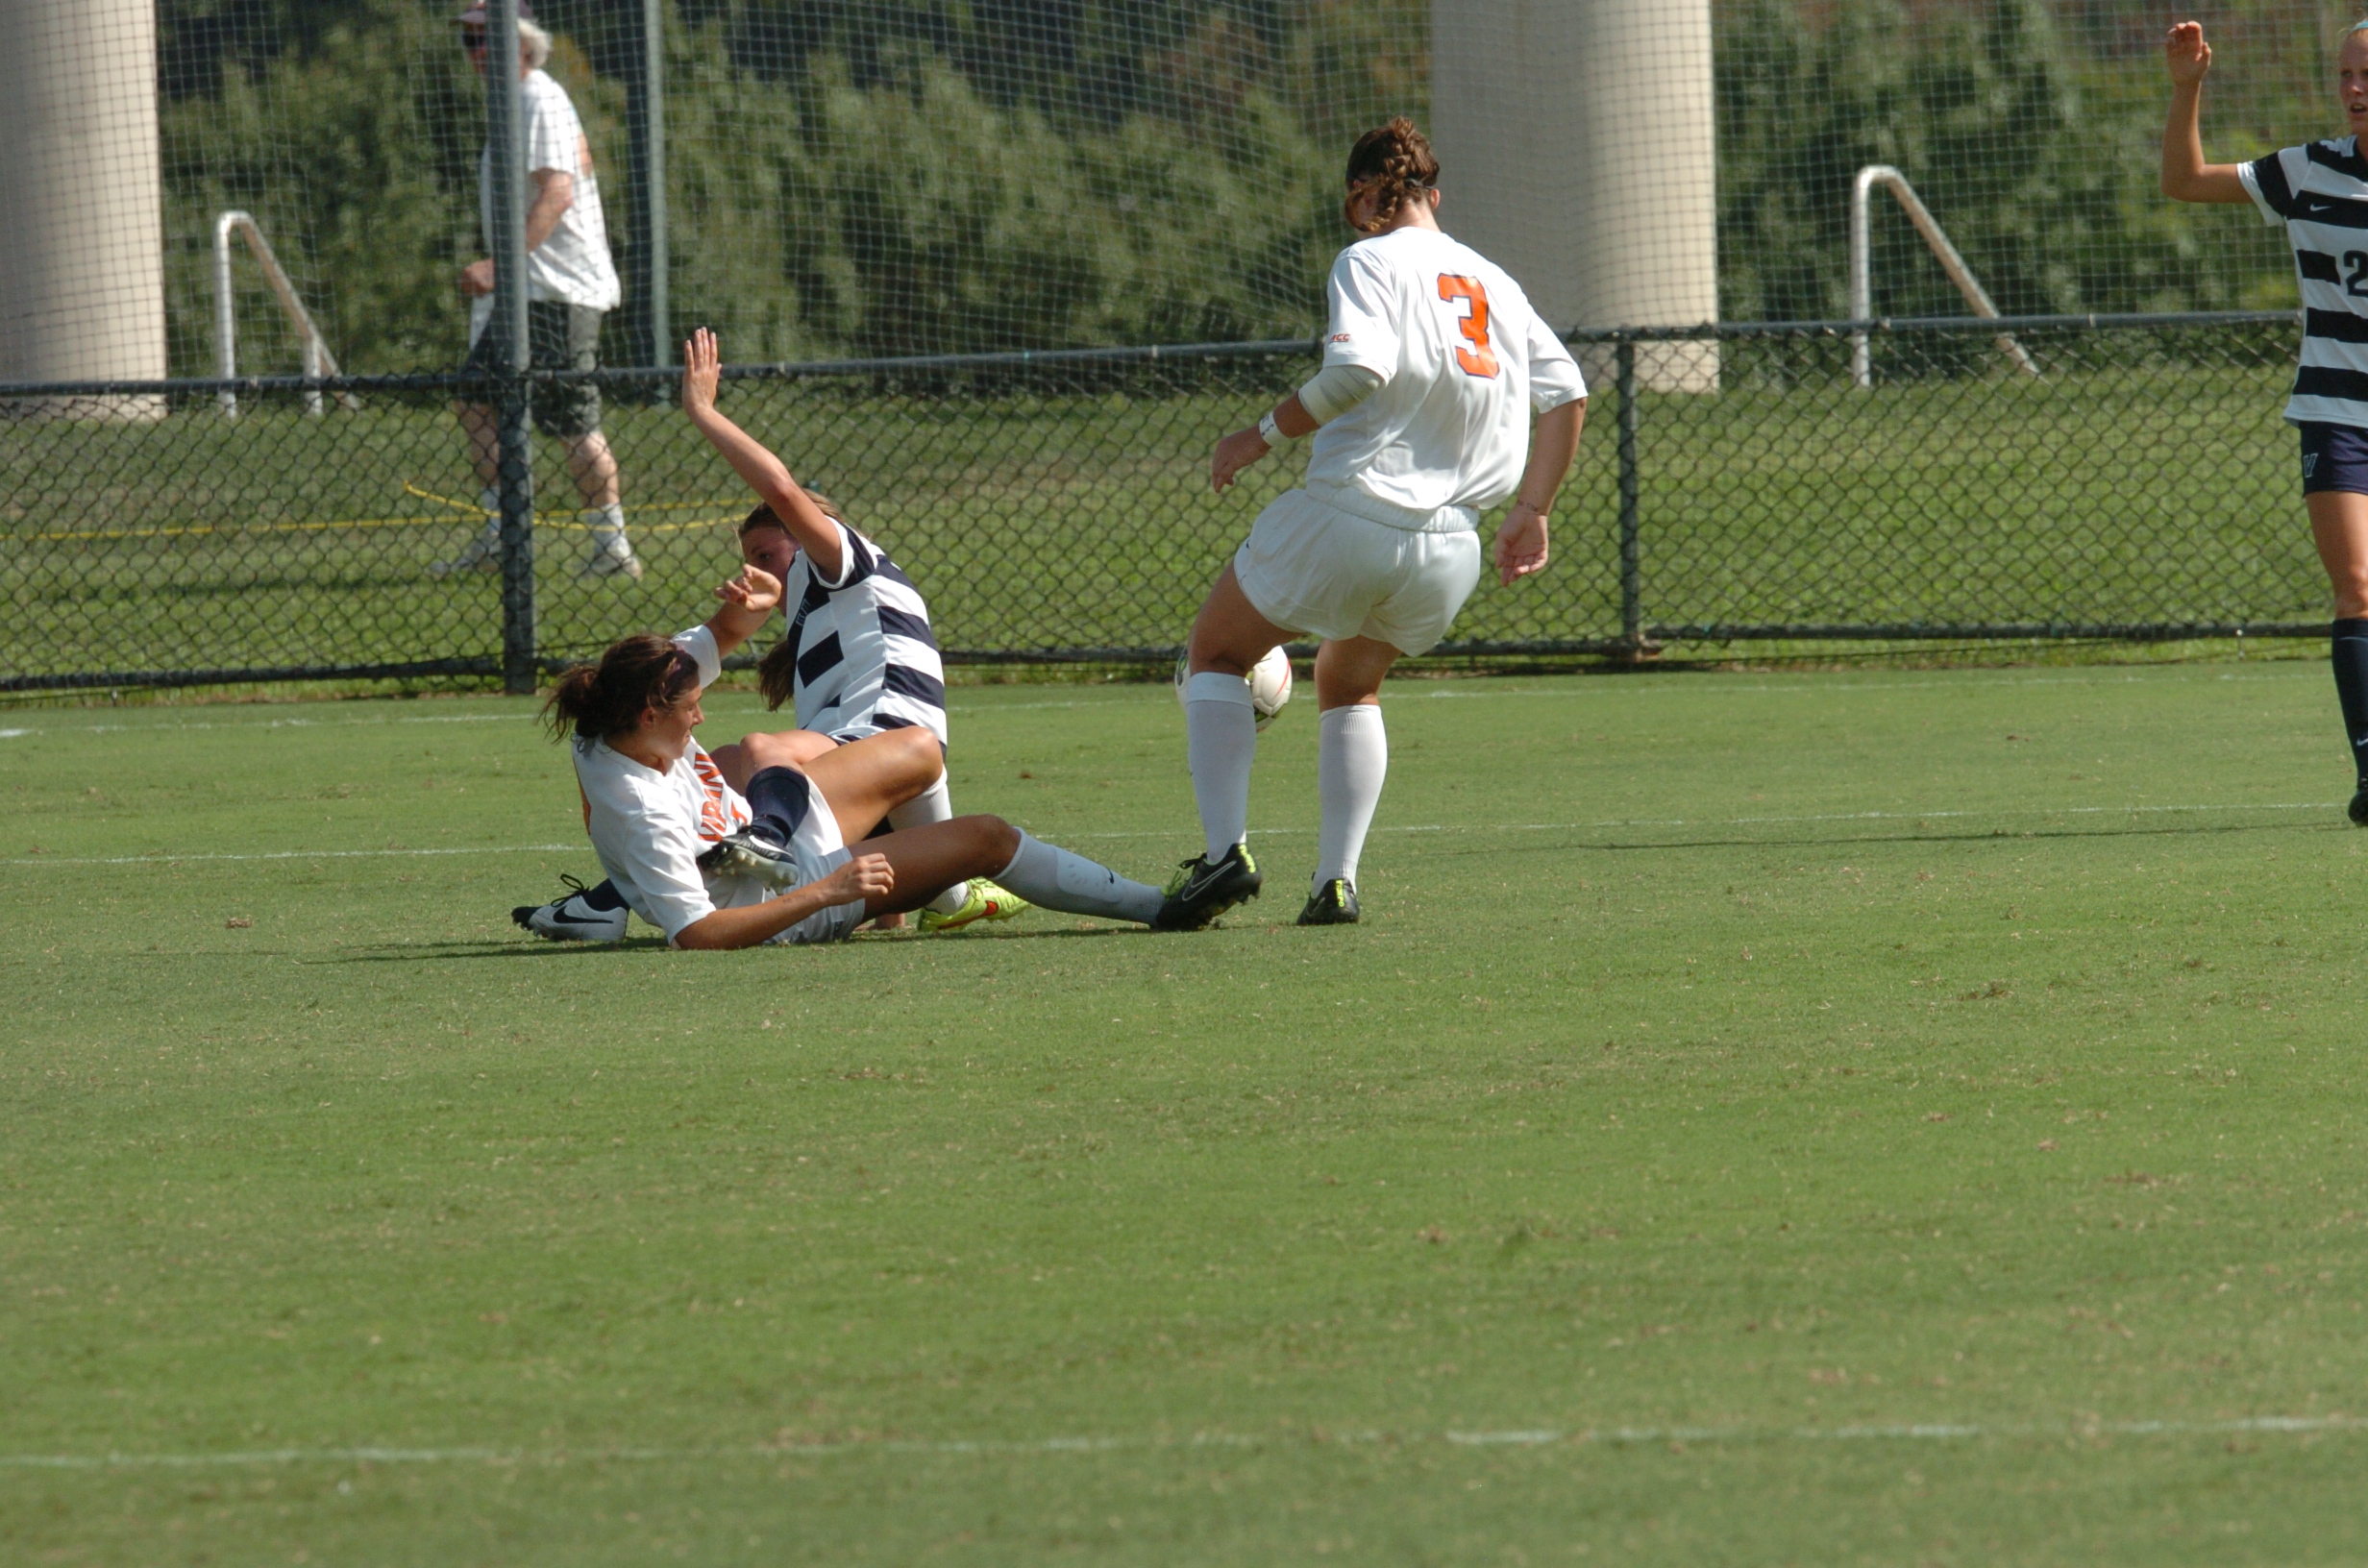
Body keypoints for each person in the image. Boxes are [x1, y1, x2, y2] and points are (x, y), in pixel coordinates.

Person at [1166, 116, 1587, 928]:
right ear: (1437, 196)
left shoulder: (1367, 259)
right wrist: (1533, 510)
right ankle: (1336, 882)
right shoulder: (1494, 280)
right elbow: (1567, 393)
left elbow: (1357, 369)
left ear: (1364, 196)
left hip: (1353, 513)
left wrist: (1256, 435)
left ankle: (1223, 856)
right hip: (1451, 543)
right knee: (1351, 684)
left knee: (1215, 654)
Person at [512, 329, 1025, 939]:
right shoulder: (812, 616)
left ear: (802, 531)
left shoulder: (838, 562)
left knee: (759, 754)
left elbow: (780, 488)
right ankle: (613, 897)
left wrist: (703, 412)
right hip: (869, 767)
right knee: (723, 765)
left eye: (765, 552)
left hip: (892, 746)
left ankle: (740, 863)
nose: (755, 566)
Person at [530, 571, 1198, 949]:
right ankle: (1161, 908)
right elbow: (698, 935)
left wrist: (754, 606)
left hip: (767, 850)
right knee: (987, 837)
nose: (700, 717)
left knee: (906, 750)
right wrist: (828, 891)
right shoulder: (640, 809)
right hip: (788, 897)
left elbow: (722, 633)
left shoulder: (616, 707)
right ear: (650, 715)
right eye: (691, 709)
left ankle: (766, 846)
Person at [2163, 19, 2368, 824]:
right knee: (2358, 589)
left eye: (2367, 74)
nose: (2354, 89)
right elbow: (2185, 181)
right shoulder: (2309, 171)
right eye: (2345, 74)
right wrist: (2187, 90)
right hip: (2336, 413)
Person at [434, 1, 638, 582]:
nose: (476, 52)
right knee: (477, 400)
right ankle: (506, 534)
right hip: (529, 294)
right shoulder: (513, 102)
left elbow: (557, 193)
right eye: (469, 40)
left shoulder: (538, 98)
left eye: (485, 38)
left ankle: (611, 547)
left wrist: (501, 268)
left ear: (522, 44)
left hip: (556, 292)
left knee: (573, 421)